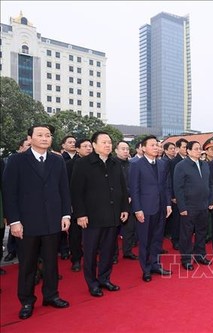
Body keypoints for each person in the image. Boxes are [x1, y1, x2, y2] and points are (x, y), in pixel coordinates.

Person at [3, 124, 71, 320]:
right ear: (30, 138)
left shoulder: (57, 161)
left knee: (51, 263)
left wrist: (65, 215)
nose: (44, 138)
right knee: (27, 265)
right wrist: (14, 221)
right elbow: (9, 193)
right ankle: (26, 301)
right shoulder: (16, 161)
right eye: (40, 135)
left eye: (48, 135)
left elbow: (63, 190)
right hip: (27, 223)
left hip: (52, 221)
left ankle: (51, 295)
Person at [70, 131, 129, 297]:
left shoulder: (115, 163)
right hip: (92, 217)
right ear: (94, 145)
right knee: (90, 252)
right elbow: (76, 191)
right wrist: (80, 214)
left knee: (108, 250)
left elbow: (123, 188)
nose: (108, 145)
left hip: (112, 215)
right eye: (103, 142)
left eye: (109, 142)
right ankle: (92, 283)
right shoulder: (83, 164)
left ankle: (104, 278)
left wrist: (124, 208)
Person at [129, 136, 173, 282]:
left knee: (157, 239)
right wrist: (137, 209)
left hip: (161, 207)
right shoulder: (136, 164)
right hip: (145, 208)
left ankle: (155, 264)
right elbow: (134, 189)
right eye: (152, 145)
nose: (156, 147)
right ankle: (146, 269)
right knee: (145, 240)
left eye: (157, 145)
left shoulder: (162, 164)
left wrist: (168, 204)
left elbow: (166, 186)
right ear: (143, 147)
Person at [173, 141, 213, 270]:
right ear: (188, 151)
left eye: (199, 149)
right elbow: (178, 188)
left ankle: (200, 255)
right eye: (195, 149)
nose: (198, 151)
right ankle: (186, 259)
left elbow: (210, 184)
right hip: (189, 206)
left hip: (204, 205)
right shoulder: (181, 166)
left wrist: (211, 201)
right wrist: (182, 207)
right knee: (186, 234)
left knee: (202, 232)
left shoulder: (205, 165)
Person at [66, 138, 93, 272]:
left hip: (94, 205)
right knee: (75, 234)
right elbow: (68, 187)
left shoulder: (96, 163)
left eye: (90, 146)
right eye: (85, 146)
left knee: (93, 234)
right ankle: (76, 259)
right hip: (76, 205)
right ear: (77, 149)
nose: (88, 148)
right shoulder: (70, 164)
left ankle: (91, 258)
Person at [4, 138, 31, 263]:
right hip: (20, 212)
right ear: (21, 148)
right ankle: (12, 251)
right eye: (28, 145)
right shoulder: (14, 161)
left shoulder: (50, 161)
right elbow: (9, 190)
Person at [114, 141, 138, 261]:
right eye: (122, 149)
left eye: (127, 149)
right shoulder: (111, 164)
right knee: (113, 230)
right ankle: (113, 255)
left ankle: (127, 251)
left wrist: (131, 195)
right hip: (115, 201)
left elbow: (135, 183)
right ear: (116, 150)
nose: (125, 151)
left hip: (131, 201)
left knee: (130, 228)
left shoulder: (132, 165)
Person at [169, 138, 188, 250]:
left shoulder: (190, 161)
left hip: (189, 196)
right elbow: (171, 180)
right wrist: (173, 196)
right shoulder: (173, 162)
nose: (186, 149)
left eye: (187, 147)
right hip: (177, 196)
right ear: (178, 148)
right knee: (177, 219)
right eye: (184, 147)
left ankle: (184, 239)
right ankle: (175, 240)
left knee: (186, 220)